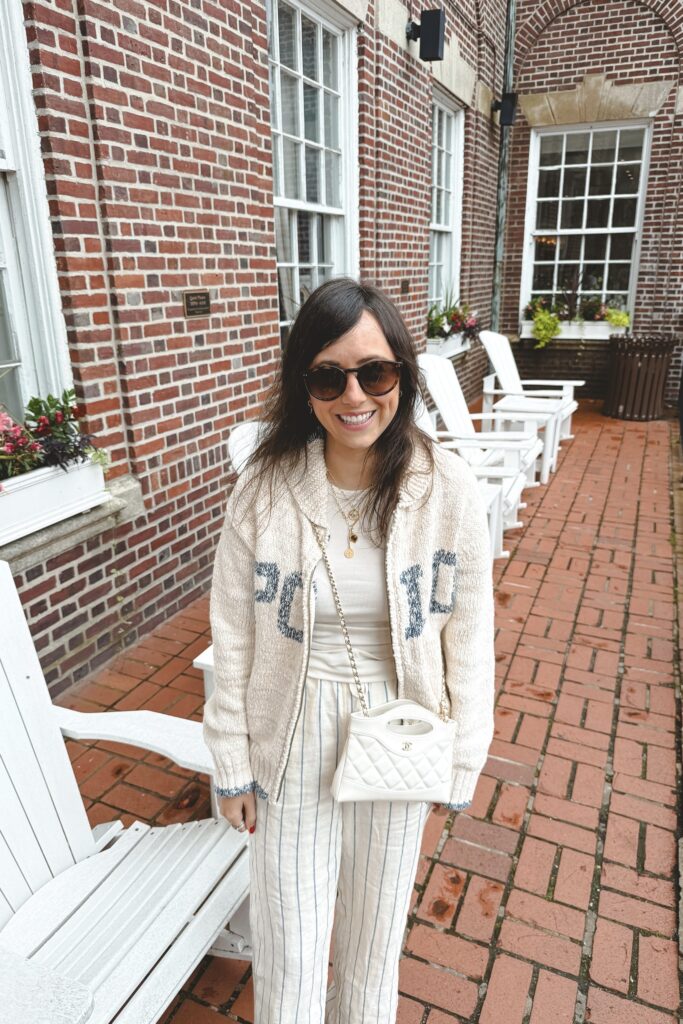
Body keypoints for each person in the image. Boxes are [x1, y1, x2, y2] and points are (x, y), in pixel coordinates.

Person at [203, 277, 495, 1023]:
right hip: (291, 732)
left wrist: (461, 756)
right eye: (328, 375)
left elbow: (467, 636)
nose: (353, 395)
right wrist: (232, 763)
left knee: (371, 947)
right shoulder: (265, 491)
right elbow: (232, 632)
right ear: (304, 382)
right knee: (290, 945)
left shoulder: (446, 489)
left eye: (376, 371)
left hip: (401, 732)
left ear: (402, 371)